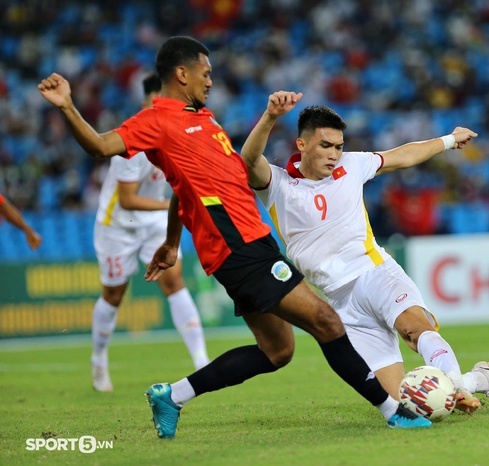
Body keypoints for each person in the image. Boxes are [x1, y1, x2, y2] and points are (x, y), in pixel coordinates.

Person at [38, 35, 430, 438]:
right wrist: (68, 106)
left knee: (278, 351)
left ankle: (171, 396)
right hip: (236, 246)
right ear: (181, 73)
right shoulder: (155, 121)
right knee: (326, 320)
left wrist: (173, 243)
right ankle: (392, 410)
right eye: (205, 74)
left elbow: (181, 191)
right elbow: (101, 147)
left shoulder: (205, 119)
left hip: (252, 241)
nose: (210, 82)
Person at [240, 92, 489, 413]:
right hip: (341, 303)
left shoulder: (353, 164)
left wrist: (449, 140)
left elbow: (403, 155)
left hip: (375, 273)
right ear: (302, 145)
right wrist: (269, 117)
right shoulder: (277, 185)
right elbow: (250, 160)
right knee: (405, 404)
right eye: (325, 146)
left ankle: (463, 384)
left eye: (338, 146)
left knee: (416, 329)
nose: (334, 154)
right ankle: (478, 380)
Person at [90, 73, 209, 392]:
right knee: (114, 295)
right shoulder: (133, 143)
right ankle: (99, 360)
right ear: (146, 104)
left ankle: (201, 361)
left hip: (157, 219)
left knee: (175, 281)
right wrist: (180, 205)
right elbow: (127, 200)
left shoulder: (182, 131)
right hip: (118, 225)